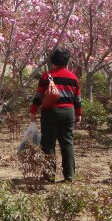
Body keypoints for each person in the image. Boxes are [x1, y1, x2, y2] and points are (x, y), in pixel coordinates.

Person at [29, 48, 82, 183]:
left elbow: (38, 96)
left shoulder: (46, 76)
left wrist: (33, 111)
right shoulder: (73, 77)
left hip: (50, 112)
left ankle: (49, 176)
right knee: (67, 143)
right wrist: (78, 114)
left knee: (48, 143)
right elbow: (77, 99)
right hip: (68, 112)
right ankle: (69, 176)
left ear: (53, 60)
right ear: (67, 61)